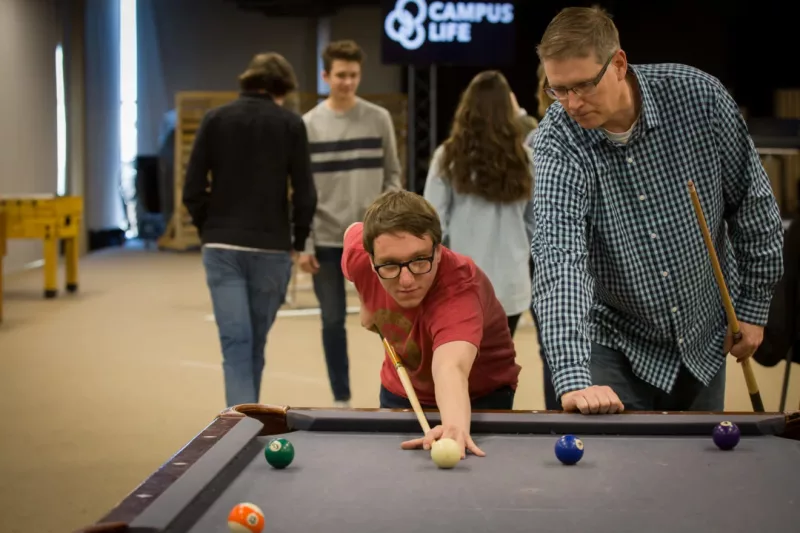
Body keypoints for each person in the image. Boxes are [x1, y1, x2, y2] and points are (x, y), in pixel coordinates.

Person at [530, 6, 784, 414]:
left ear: (618, 64)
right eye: (557, 89)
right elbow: (560, 258)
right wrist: (574, 376)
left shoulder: (700, 99)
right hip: (614, 339)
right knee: (615, 476)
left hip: (702, 333)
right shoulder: (558, 141)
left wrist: (753, 306)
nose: (571, 104)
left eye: (582, 86)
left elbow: (752, 206)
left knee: (697, 472)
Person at [342, 190, 521, 457]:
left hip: (480, 396)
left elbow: (451, 367)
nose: (406, 281)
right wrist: (367, 301)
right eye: (389, 265)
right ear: (369, 258)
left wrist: (454, 426)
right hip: (401, 387)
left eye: (419, 260)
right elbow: (351, 232)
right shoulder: (359, 255)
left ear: (437, 251)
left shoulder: (459, 288)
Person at [183, 52, 317, 407]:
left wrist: (209, 227)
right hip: (272, 248)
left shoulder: (214, 119)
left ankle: (241, 425)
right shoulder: (291, 124)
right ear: (282, 88)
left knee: (237, 344)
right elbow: (305, 194)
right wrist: (298, 240)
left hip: (222, 246)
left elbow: (192, 189)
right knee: (254, 343)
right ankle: (246, 425)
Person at [299, 39, 402, 407]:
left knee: (391, 321)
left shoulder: (378, 118)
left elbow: (393, 175)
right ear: (326, 76)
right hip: (326, 241)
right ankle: (341, 397)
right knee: (331, 321)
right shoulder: (308, 125)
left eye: (354, 75)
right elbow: (302, 191)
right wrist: (304, 243)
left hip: (374, 241)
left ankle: (400, 391)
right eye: (340, 75)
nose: (347, 82)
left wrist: (388, 226)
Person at [423, 70, 534, 337]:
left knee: (462, 367)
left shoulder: (446, 157)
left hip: (462, 284)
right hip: (511, 286)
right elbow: (536, 222)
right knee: (499, 365)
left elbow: (433, 222)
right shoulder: (528, 160)